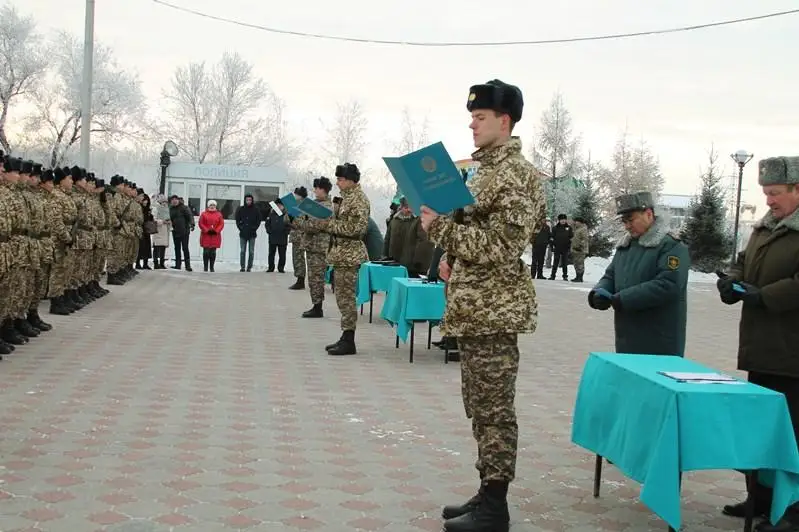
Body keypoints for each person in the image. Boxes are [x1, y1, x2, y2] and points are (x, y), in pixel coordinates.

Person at [420, 79, 544, 532]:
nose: (471, 124)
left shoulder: (515, 174)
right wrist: (452, 258)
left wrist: (441, 232)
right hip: (475, 307)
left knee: (494, 410)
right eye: (472, 117)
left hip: (495, 311)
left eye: (480, 117)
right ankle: (486, 491)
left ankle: (496, 508)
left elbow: (502, 246)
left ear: (504, 121)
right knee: (479, 406)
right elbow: (477, 235)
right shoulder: (482, 170)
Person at [716, 156, 799, 532]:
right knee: (761, 431)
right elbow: (742, 261)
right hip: (762, 349)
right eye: (766, 193)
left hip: (792, 353)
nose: (769, 200)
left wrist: (762, 295)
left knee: (793, 435)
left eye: (776, 193)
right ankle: (760, 498)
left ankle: (793, 511)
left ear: (798, 190)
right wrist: (731, 283)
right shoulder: (765, 228)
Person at [588, 191, 690, 356]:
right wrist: (599, 292)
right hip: (627, 337)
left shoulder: (671, 247)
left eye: (631, 220)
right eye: (624, 221)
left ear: (649, 214)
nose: (627, 226)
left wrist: (624, 299)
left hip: (659, 340)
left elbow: (668, 285)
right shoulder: (626, 246)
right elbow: (611, 276)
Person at [321, 163, 370, 356]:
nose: (338, 183)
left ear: (350, 180)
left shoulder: (358, 200)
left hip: (350, 255)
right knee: (341, 297)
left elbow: (357, 229)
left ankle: (349, 340)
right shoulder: (347, 198)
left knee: (347, 298)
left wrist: (330, 225)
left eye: (340, 179)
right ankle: (345, 335)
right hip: (342, 254)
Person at [293, 176, 333, 318]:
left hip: (319, 247)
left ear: (324, 189)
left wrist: (301, 222)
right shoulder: (315, 204)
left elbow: (314, 226)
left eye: (317, 188)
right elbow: (302, 221)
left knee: (317, 278)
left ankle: (318, 308)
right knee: (313, 277)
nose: (315, 190)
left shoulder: (327, 207)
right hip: (312, 246)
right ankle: (315, 305)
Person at [383, 197, 434, 277]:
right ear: (401, 207)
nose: (409, 210)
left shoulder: (420, 221)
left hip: (413, 268)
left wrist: (419, 264)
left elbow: (424, 242)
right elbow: (387, 240)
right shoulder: (394, 220)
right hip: (393, 265)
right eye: (406, 207)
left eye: (411, 207)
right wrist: (384, 257)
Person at [235, 193, 262, 272]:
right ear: (245, 200)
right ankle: (242, 267)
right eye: (247, 200)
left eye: (250, 200)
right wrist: (241, 227)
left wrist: (254, 228)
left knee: (251, 251)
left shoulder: (256, 209)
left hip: (252, 233)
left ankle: (249, 267)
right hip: (243, 233)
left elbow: (259, 220)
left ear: (252, 200)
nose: (248, 201)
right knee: (242, 251)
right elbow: (237, 219)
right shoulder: (241, 209)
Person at [288, 186, 309, 289]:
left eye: (296, 194)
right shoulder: (297, 206)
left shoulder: (303, 207)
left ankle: (300, 281)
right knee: (296, 258)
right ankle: (299, 279)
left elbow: (301, 223)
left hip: (300, 236)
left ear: (300, 196)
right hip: (296, 236)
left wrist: (292, 218)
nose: (295, 196)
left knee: (299, 259)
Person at [169, 194, 194, 271]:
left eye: (175, 199)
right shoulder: (171, 209)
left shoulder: (184, 208)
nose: (174, 201)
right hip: (175, 231)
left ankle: (188, 265)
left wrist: (192, 224)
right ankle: (178, 264)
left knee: (185, 248)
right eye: (172, 200)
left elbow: (190, 216)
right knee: (177, 248)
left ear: (178, 200)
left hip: (184, 231)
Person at [198, 200, 224, 272]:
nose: (212, 207)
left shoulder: (219, 214)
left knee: (213, 252)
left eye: (213, 205)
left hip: (215, 235)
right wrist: (207, 230)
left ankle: (212, 267)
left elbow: (221, 224)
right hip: (206, 235)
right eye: (211, 205)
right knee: (206, 252)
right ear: (208, 206)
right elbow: (201, 223)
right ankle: (205, 267)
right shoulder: (204, 214)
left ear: (215, 206)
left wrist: (216, 231)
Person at [265, 200, 290, 273]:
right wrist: (269, 231)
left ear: (282, 206)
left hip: (282, 237)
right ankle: (271, 267)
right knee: (271, 253)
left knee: (282, 254)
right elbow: (267, 224)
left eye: (280, 205)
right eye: (277, 205)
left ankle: (281, 268)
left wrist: (286, 232)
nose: (278, 207)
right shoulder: (271, 214)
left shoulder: (286, 214)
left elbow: (289, 225)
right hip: (273, 237)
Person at [549, 213, 572, 280]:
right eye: (562, 219)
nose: (563, 221)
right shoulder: (555, 228)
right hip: (557, 247)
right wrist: (551, 246)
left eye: (564, 219)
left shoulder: (569, 228)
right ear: (559, 220)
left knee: (564, 262)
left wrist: (569, 246)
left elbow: (571, 237)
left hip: (565, 247)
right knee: (555, 262)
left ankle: (565, 276)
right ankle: (553, 276)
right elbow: (551, 238)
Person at [151, 194, 171, 269]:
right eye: (163, 202)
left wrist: (169, 222)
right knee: (156, 247)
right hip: (158, 230)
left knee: (163, 247)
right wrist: (162, 221)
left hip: (165, 230)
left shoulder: (167, 209)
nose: (164, 203)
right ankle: (156, 263)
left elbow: (169, 218)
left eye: (165, 202)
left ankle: (162, 263)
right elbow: (154, 219)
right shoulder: (156, 209)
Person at [136, 194, 154, 270]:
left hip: (147, 230)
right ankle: (137, 263)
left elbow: (149, 218)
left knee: (147, 247)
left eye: (147, 200)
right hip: (141, 229)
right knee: (140, 247)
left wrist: (151, 216)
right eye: (144, 200)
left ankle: (145, 263)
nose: (145, 202)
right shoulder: (139, 208)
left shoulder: (148, 209)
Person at [570, 216, 589, 283]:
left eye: (577, 221)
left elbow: (585, 239)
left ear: (580, 222)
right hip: (575, 249)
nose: (575, 223)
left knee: (580, 264)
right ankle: (577, 276)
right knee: (576, 263)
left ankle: (580, 277)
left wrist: (580, 246)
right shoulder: (577, 229)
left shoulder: (583, 229)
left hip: (580, 249)